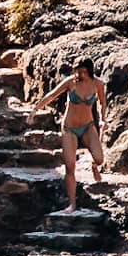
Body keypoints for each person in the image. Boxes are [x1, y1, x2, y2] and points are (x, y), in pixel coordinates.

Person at [36, 59, 107, 212]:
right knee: (70, 166)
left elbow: (102, 103)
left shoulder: (98, 84)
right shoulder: (71, 82)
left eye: (82, 71)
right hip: (69, 128)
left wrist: (103, 120)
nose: (79, 74)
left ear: (89, 70)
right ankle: (72, 204)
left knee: (100, 159)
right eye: (77, 71)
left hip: (88, 126)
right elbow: (52, 95)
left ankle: (94, 166)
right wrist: (35, 110)